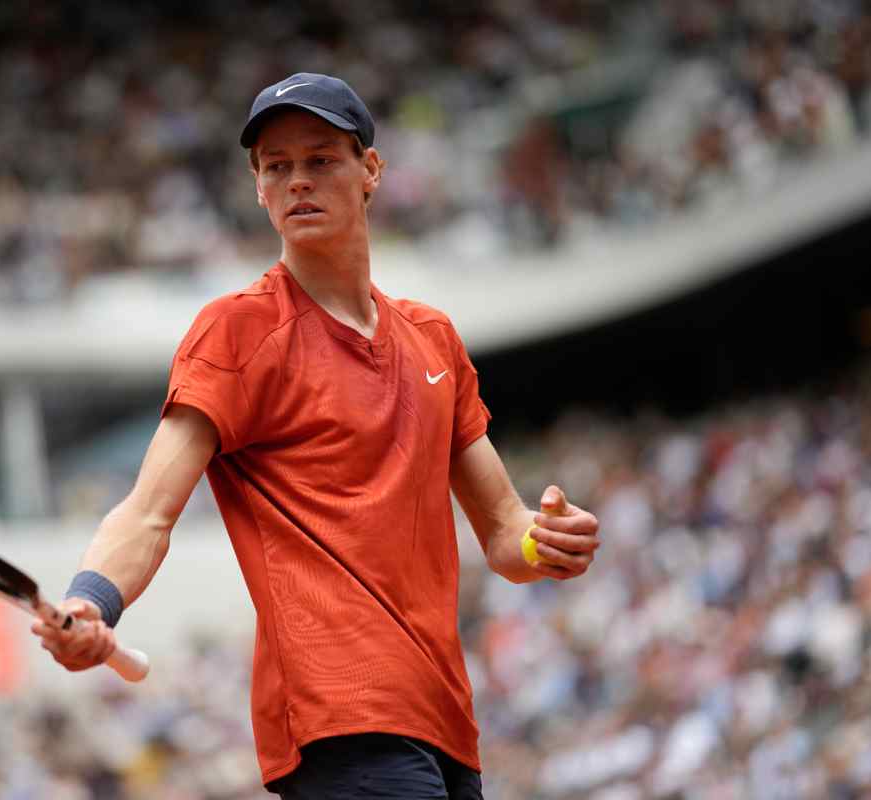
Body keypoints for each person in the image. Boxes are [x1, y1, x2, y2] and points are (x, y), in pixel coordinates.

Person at [31, 73, 601, 799]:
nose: (297, 180)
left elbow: (502, 533)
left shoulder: (433, 337)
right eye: (277, 166)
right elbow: (148, 510)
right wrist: (92, 601)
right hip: (339, 715)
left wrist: (543, 542)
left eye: (321, 159)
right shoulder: (235, 332)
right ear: (258, 187)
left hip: (446, 716)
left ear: (370, 170)